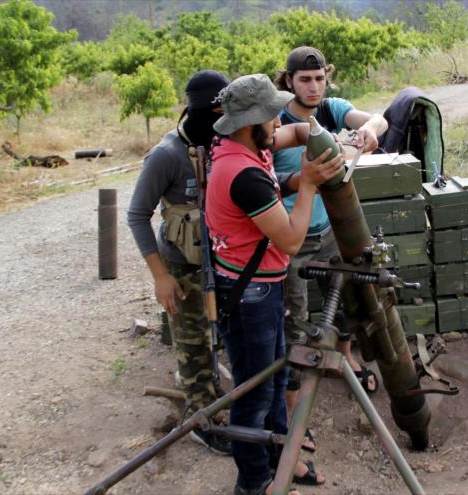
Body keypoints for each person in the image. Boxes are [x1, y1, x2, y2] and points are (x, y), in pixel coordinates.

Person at [207, 74, 343, 495]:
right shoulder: (241, 173)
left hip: (262, 288)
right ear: (252, 124)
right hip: (251, 298)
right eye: (271, 118)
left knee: (276, 376)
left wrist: (320, 138)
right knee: (253, 394)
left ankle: (283, 458)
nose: (278, 123)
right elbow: (291, 238)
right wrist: (309, 183)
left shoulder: (244, 144)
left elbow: (299, 130)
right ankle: (255, 482)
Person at [273, 47, 388, 442]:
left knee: (346, 297)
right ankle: (291, 407)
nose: (314, 86)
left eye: (320, 78)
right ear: (289, 81)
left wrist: (370, 131)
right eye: (305, 79)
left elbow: (379, 119)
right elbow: (262, 178)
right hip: (290, 236)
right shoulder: (277, 121)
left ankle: (347, 359)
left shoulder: (332, 109)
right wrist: (299, 180)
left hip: (328, 231)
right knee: (294, 316)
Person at [127, 70, 233, 455]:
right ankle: (200, 415)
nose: (222, 120)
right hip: (181, 266)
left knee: (217, 335)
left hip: (223, 260)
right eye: (216, 112)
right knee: (192, 345)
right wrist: (160, 277)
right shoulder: (167, 156)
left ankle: (210, 388)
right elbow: (138, 215)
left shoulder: (226, 143)